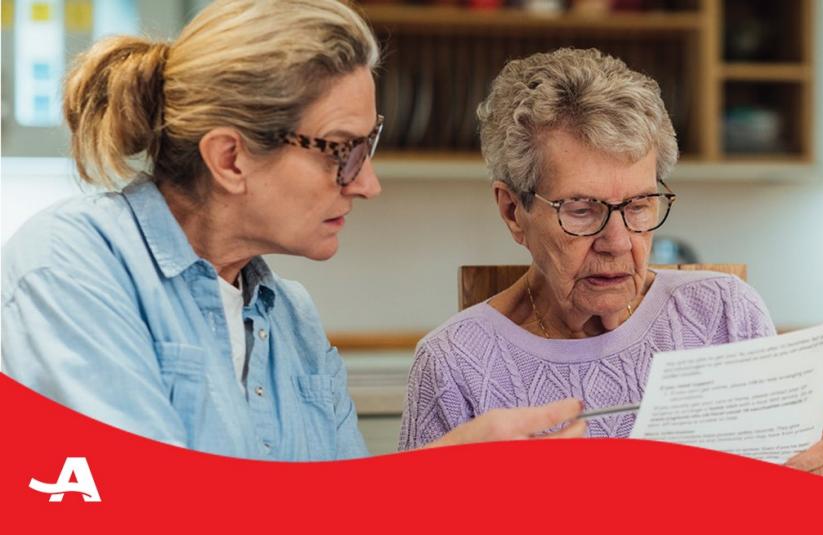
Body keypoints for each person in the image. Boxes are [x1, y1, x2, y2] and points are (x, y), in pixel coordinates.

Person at [0, 0, 586, 461]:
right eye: (341, 150)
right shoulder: (69, 270)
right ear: (230, 158)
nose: (367, 183)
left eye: (368, 147)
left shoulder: (291, 319)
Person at [399, 48, 823, 486]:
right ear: (512, 212)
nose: (618, 242)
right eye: (581, 210)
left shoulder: (724, 314)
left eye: (640, 205)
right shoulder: (454, 364)